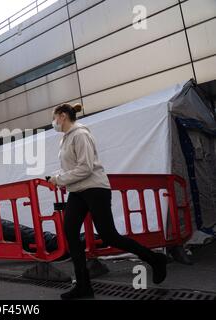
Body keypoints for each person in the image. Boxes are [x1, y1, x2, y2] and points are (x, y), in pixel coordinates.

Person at [48, 103, 168, 300]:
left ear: (62, 116)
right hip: (77, 191)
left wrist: (60, 180)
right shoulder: (66, 139)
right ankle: (84, 287)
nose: (53, 123)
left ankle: (155, 259)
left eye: (54, 118)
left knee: (109, 235)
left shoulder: (80, 134)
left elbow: (86, 167)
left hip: (95, 189)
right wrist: (57, 178)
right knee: (70, 232)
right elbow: (72, 167)